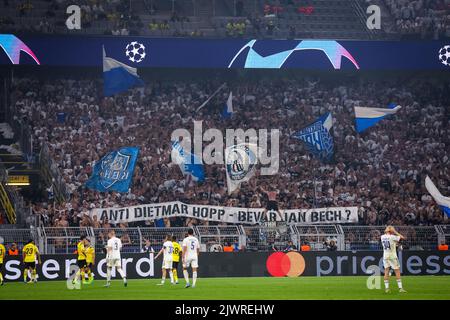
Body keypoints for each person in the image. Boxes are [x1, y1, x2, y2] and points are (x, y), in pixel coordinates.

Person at [381, 226, 406, 293]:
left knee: (386, 271)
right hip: (392, 256)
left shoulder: (382, 236)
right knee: (397, 271)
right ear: (391, 231)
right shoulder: (392, 237)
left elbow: (391, 243)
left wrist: (396, 245)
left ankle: (387, 288)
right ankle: (400, 288)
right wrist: (395, 232)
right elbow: (403, 238)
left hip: (385, 256)